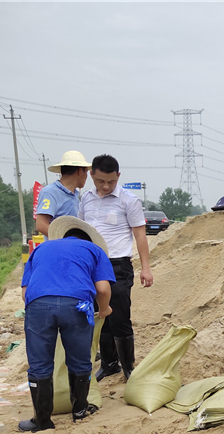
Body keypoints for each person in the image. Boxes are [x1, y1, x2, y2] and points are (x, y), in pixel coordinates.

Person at [19, 217, 114, 432]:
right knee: (80, 361)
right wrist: (104, 309)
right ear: (90, 241)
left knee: (39, 364)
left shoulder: (40, 250)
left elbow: (25, 293)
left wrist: (42, 310)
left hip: (38, 305)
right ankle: (79, 411)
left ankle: (42, 421)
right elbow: (102, 289)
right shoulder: (95, 251)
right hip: (76, 305)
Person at [79, 154, 154, 382]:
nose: (106, 186)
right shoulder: (86, 199)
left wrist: (146, 268)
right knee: (100, 316)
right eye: (101, 181)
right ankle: (109, 364)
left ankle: (128, 366)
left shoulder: (129, 200)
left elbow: (140, 235)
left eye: (111, 181)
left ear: (118, 176)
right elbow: (80, 231)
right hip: (91, 264)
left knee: (119, 316)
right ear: (91, 175)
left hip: (117, 265)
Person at [35, 151, 91, 236]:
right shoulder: (50, 192)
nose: (86, 176)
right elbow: (41, 225)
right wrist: (64, 240)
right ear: (80, 171)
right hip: (60, 244)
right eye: (86, 172)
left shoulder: (75, 195)